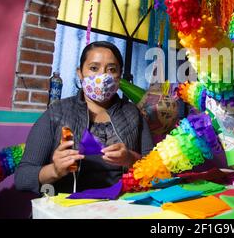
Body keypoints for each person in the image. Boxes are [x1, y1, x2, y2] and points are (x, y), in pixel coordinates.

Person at [15, 41, 153, 195]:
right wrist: (55, 170)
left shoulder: (133, 114)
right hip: (67, 210)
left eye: (111, 69)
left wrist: (130, 158)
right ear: (80, 73)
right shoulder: (57, 112)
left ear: (119, 76)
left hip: (121, 208)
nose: (103, 76)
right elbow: (22, 178)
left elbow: (155, 169)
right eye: (94, 68)